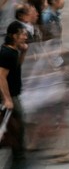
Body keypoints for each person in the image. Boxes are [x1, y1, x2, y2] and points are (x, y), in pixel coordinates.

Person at [0, 21, 29, 169]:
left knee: (16, 124)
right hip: (10, 95)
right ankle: (18, 156)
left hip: (13, 94)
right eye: (22, 34)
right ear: (13, 35)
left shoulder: (13, 51)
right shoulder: (7, 53)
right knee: (17, 125)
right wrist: (7, 98)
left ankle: (18, 153)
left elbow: (16, 66)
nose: (25, 36)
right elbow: (1, 77)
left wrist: (23, 52)